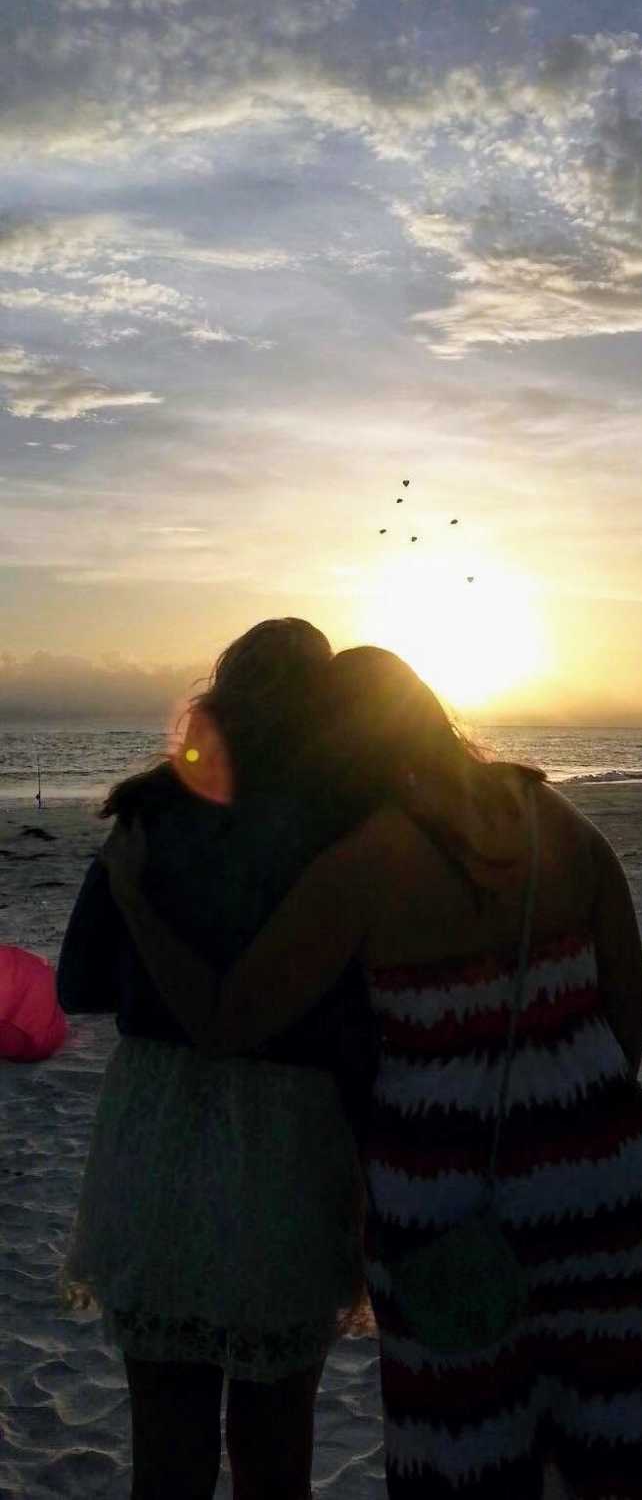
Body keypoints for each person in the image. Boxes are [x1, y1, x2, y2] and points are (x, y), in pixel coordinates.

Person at [105, 645, 642, 1500]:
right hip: (612, 1187)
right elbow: (627, 1001)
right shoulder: (555, 819)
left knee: (465, 1453)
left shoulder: (364, 865)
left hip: (448, 1211)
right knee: (634, 1449)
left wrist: (134, 898)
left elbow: (223, 1018)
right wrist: (568, 1131)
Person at [58, 619, 378, 1500]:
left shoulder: (153, 805)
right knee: (278, 1448)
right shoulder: (343, 822)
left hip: (160, 1120)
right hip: (293, 1131)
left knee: (167, 1442)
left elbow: (77, 981)